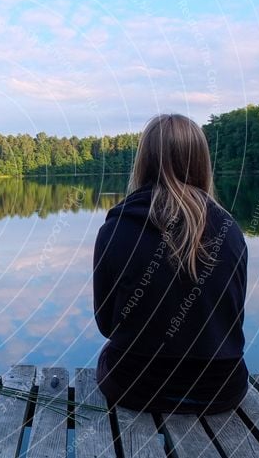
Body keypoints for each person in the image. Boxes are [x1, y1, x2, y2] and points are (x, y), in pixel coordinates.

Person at [93, 113, 249, 414]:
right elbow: (232, 321)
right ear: (202, 162)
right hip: (220, 391)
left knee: (108, 357)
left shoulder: (115, 229)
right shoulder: (230, 231)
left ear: (144, 161)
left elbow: (107, 324)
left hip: (136, 387)